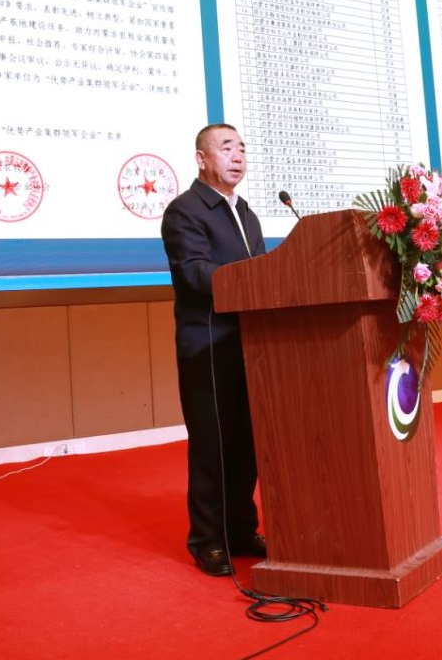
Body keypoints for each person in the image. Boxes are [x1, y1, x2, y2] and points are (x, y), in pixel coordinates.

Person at [160, 123, 267, 576]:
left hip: (250, 345)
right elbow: (193, 272)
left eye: (241, 148)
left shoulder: (246, 213)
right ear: (202, 159)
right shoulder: (184, 210)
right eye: (226, 148)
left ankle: (240, 529)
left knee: (247, 445)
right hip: (207, 345)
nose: (237, 156)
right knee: (212, 446)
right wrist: (252, 280)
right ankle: (208, 540)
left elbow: (262, 270)